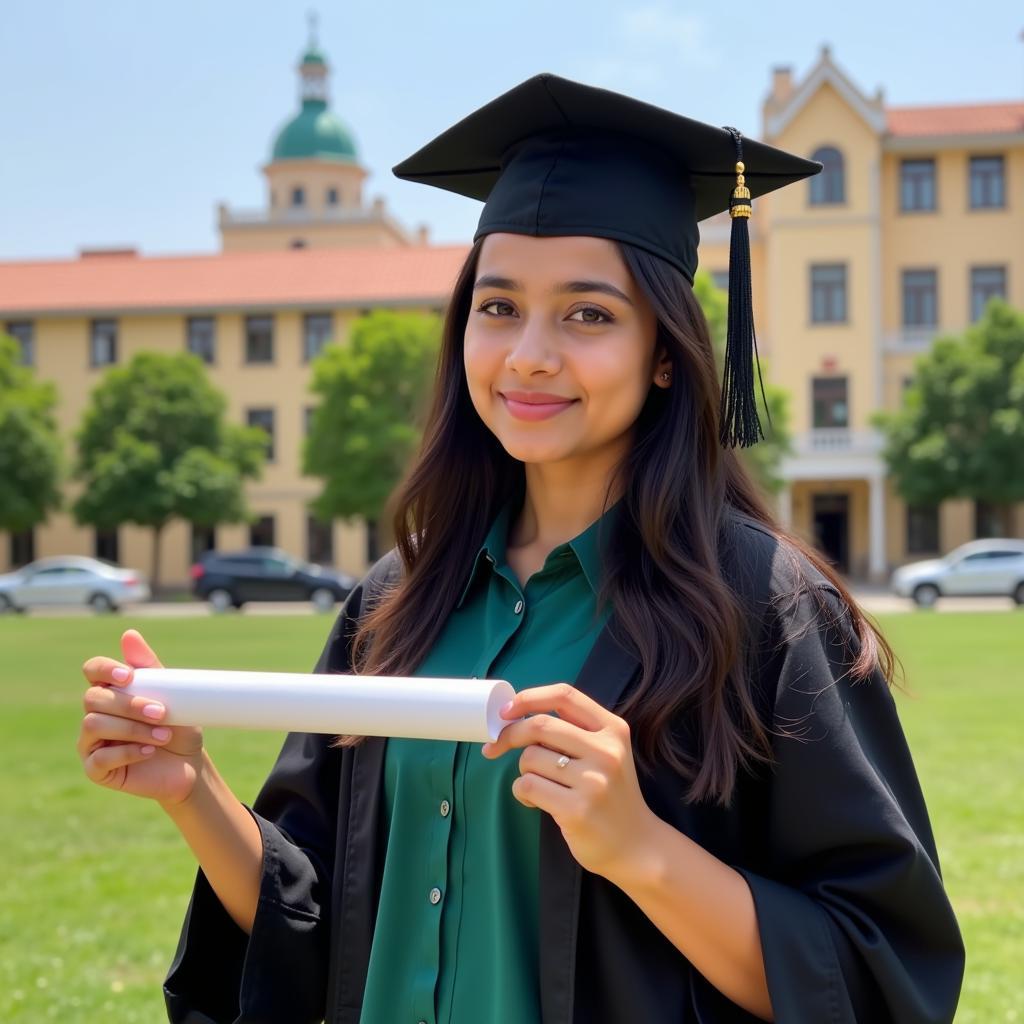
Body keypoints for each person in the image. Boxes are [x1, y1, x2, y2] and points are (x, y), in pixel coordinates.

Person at [77, 72, 964, 1023]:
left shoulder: (764, 610)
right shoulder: (399, 601)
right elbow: (323, 930)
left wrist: (641, 848)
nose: (528, 354)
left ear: (665, 351)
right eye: (497, 308)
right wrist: (192, 787)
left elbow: (874, 976)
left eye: (587, 314)